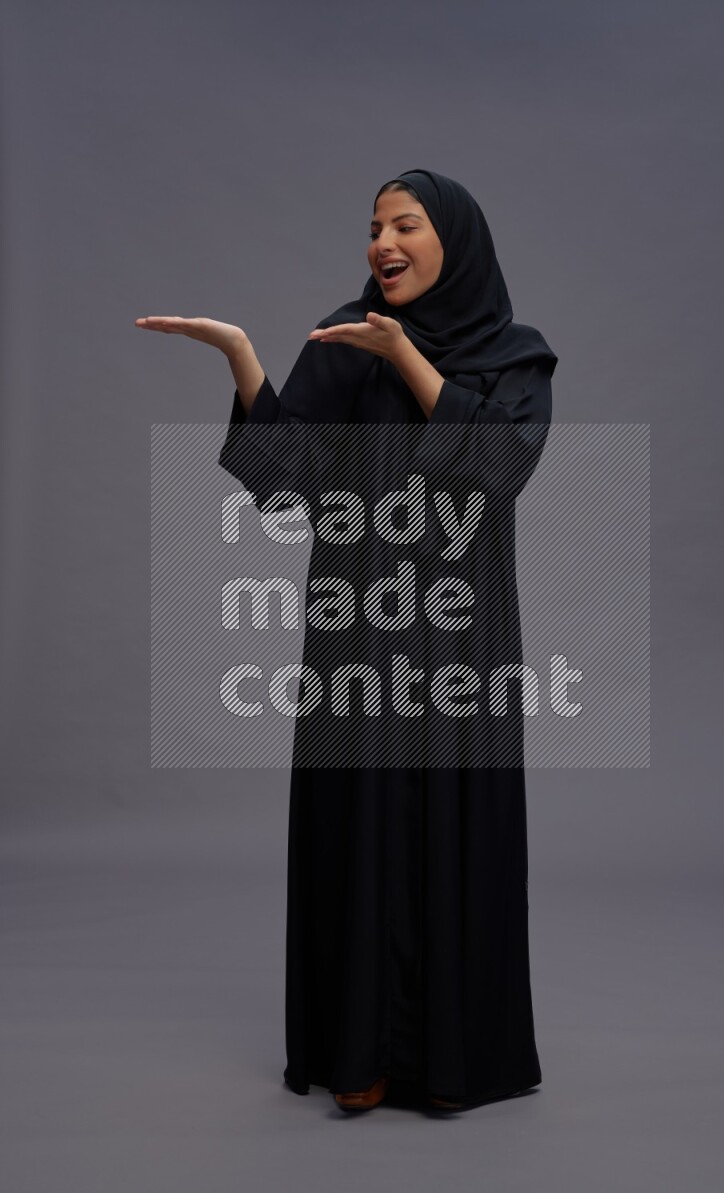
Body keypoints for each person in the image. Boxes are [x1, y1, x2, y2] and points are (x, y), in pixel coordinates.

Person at [136, 168, 558, 1114]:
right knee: (356, 824)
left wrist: (406, 357)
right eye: (373, 226)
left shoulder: (512, 356)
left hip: (461, 640)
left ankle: (450, 1058)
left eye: (405, 224)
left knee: (453, 826)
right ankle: (357, 1052)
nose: (382, 242)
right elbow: (285, 482)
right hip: (357, 629)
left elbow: (497, 470)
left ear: (456, 241)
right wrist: (244, 360)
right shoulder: (344, 336)